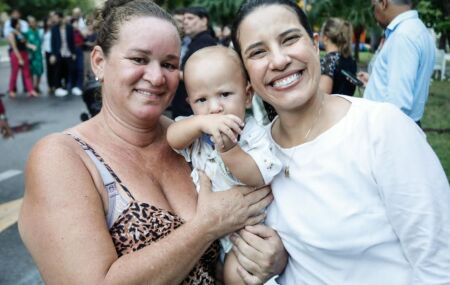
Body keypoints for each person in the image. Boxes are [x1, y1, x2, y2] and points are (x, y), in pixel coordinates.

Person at [19, 1, 287, 285]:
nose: (157, 77)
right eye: (139, 59)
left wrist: (266, 261)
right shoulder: (62, 156)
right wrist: (207, 225)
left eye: (169, 64)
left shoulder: (192, 139)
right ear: (99, 61)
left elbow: (209, 267)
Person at [231, 0, 450, 284]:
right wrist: (272, 263)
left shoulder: (381, 128)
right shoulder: (252, 155)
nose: (279, 60)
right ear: (246, 72)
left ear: (314, 44)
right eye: (258, 52)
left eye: (290, 39)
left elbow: (440, 264)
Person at [167, 46, 283, 284]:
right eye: (202, 100)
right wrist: (199, 123)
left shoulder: (253, 135)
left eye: (225, 95)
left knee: (236, 275)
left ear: (248, 95)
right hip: (215, 234)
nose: (214, 108)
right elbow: (172, 137)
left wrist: (231, 151)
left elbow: (258, 175)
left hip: (251, 231)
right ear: (191, 105)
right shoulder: (196, 133)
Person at [357, 0, 435, 125]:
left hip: (389, 129)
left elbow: (398, 103)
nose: (374, 13)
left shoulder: (403, 36)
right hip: (406, 126)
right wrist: (374, 82)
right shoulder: (418, 29)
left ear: (383, 3)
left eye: (373, 7)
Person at [171, 6, 218, 119]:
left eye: (190, 18)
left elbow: (202, 76)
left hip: (192, 110)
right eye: (184, 20)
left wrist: (172, 72)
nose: (185, 22)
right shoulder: (196, 41)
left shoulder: (205, 42)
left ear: (204, 20)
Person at [319, 17, 357, 96]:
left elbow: (323, 95)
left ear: (325, 38)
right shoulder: (351, 60)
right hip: (347, 106)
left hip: (331, 107)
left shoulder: (329, 60)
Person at [7, 18, 38, 98]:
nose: (20, 25)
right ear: (14, 25)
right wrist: (20, 58)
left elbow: (25, 44)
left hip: (24, 53)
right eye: (18, 24)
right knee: (15, 73)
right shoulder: (11, 34)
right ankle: (11, 90)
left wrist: (32, 46)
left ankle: (30, 90)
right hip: (16, 55)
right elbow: (14, 47)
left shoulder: (21, 33)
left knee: (27, 73)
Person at [50, 11, 76, 97]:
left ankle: (65, 87)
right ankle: (58, 87)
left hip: (68, 52)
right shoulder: (54, 28)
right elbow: (53, 42)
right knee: (58, 71)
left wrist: (73, 53)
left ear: (61, 18)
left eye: (56, 17)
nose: (55, 19)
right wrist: (53, 54)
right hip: (59, 53)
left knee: (68, 70)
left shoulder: (69, 27)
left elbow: (72, 41)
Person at [25, 16, 44, 93]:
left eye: (34, 21)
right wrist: (30, 46)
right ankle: (32, 87)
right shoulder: (27, 33)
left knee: (39, 71)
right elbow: (24, 42)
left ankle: (37, 86)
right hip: (31, 55)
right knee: (31, 71)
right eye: (31, 22)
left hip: (38, 54)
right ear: (29, 23)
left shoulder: (38, 31)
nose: (33, 23)